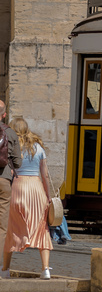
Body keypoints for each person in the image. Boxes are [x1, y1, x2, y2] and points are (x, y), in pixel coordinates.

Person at [2, 117, 53, 279]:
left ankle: (5, 269)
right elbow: (44, 174)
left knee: (10, 228)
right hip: (36, 189)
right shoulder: (38, 148)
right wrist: (48, 195)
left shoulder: (11, 147)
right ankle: (45, 269)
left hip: (17, 187)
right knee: (42, 228)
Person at [0, 99, 22, 260]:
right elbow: (18, 162)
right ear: (4, 114)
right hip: (3, 179)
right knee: (2, 225)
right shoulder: (10, 133)